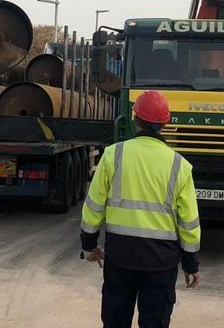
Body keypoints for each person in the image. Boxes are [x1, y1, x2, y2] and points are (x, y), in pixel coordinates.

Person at [81, 90, 201, 328]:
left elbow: (93, 206)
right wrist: (190, 264)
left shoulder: (113, 154)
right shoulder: (180, 165)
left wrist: (89, 245)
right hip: (161, 262)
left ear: (135, 119)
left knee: (115, 322)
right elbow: (189, 223)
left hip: (120, 257)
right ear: (164, 124)